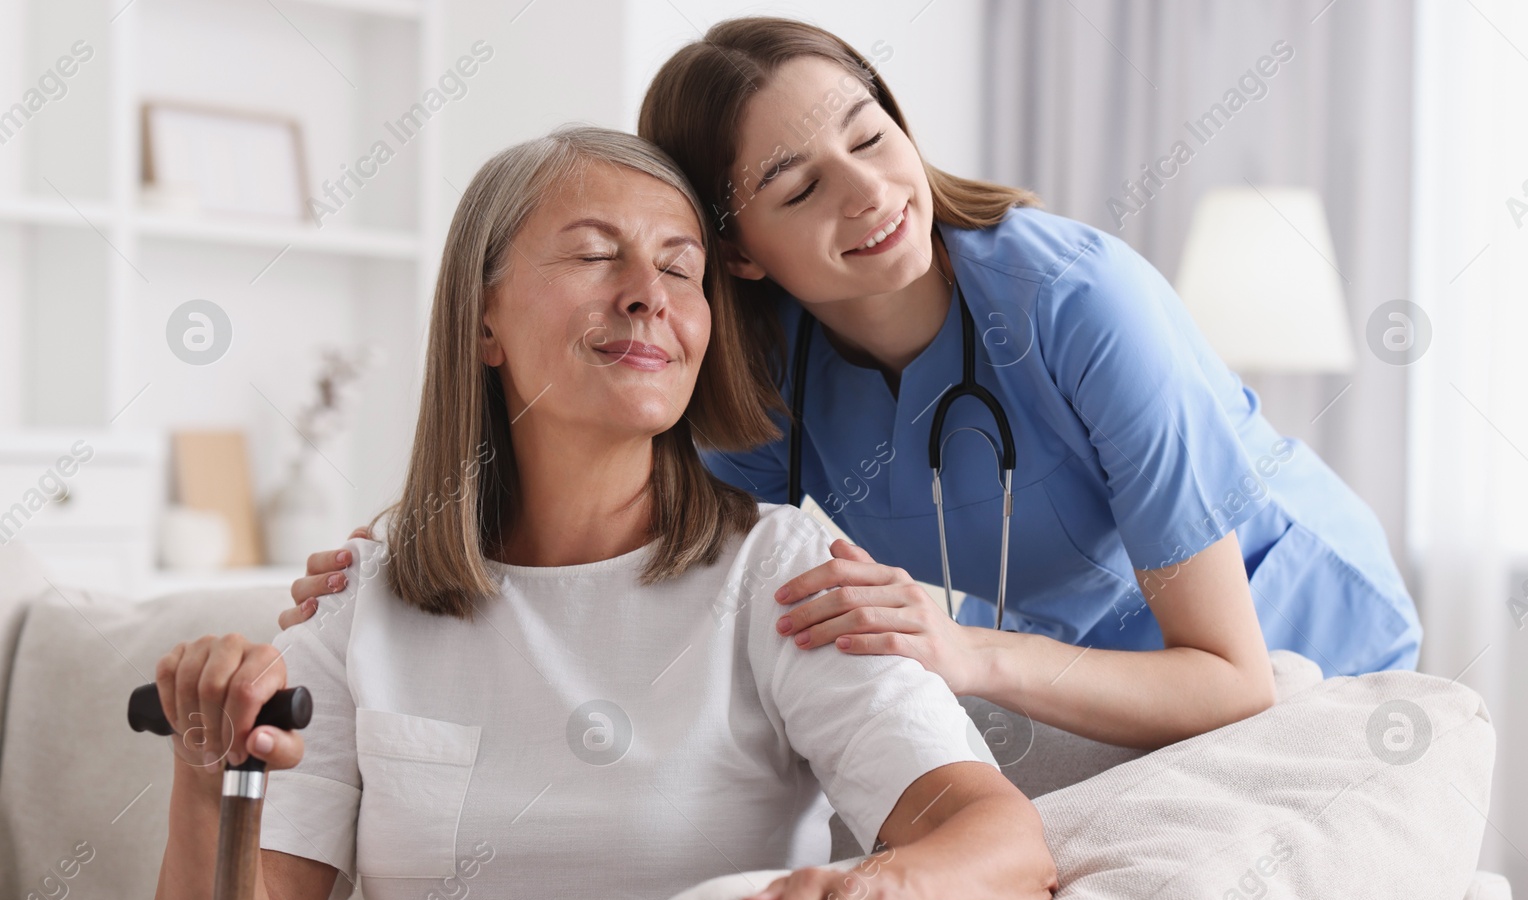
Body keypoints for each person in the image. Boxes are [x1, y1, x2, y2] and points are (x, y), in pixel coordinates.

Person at [144, 127, 1058, 900]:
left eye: (680, 267)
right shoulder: (365, 593)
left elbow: (1003, 842)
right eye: (592, 255)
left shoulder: (779, 573)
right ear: (482, 319)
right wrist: (204, 765)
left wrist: (888, 887)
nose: (647, 296)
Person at [288, 18, 1421, 752]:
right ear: (736, 251)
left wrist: (969, 654)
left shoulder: (1076, 304)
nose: (868, 193)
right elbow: (595, 510)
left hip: (1291, 645)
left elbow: (1230, 678)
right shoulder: (754, 381)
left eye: (870, 137)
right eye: (794, 184)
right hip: (1085, 665)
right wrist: (401, 558)